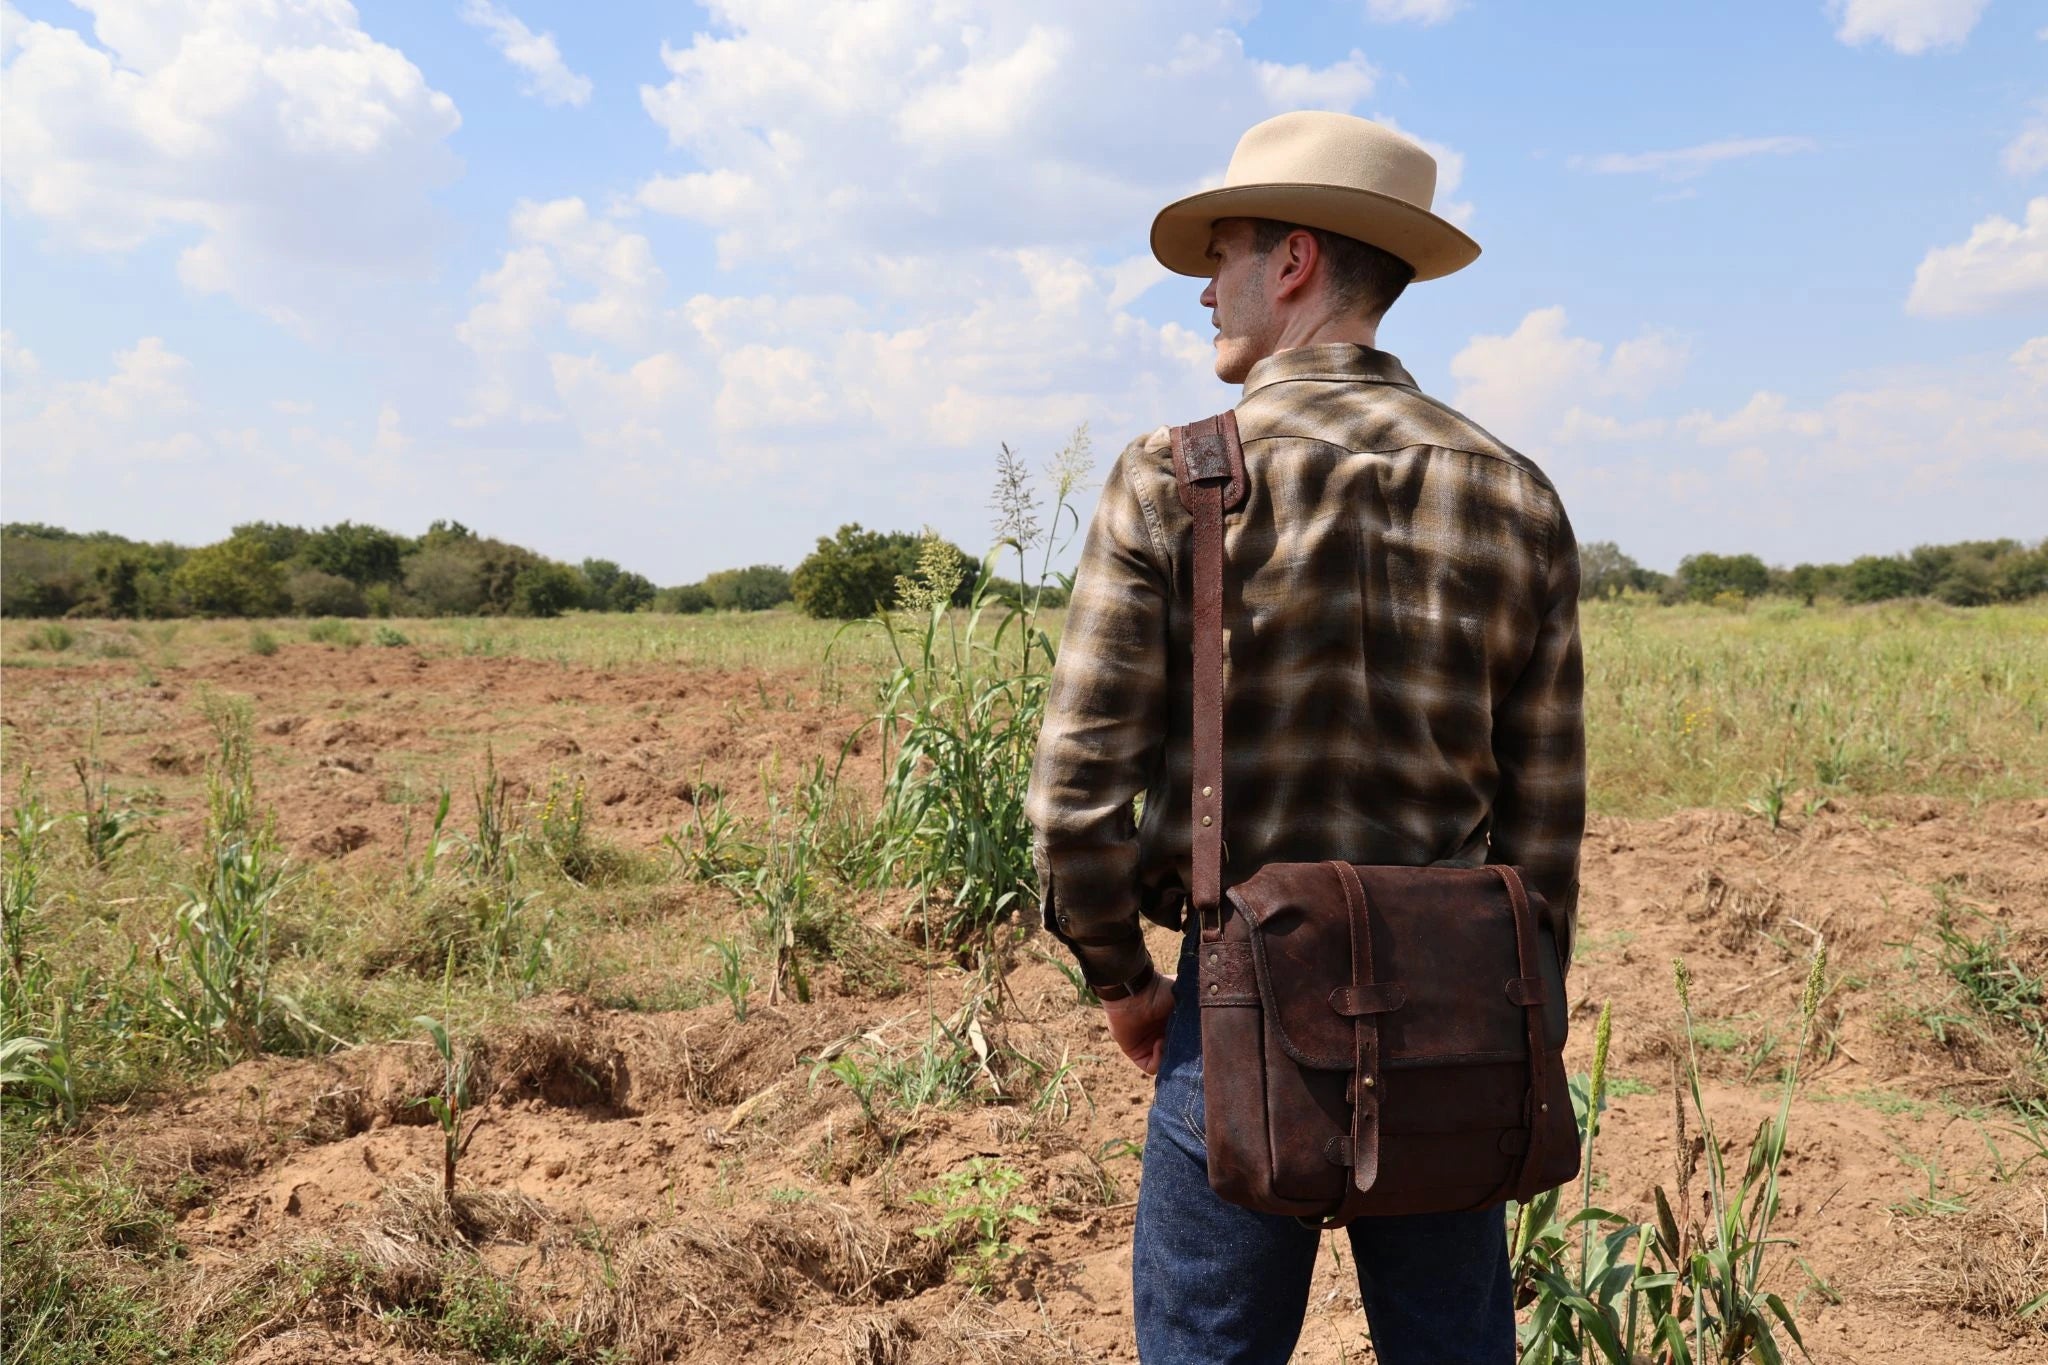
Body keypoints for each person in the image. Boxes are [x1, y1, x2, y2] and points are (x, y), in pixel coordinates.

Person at [1024, 111, 1586, 1364]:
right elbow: (1545, 824)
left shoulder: (1175, 476)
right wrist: (1517, 1020)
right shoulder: (1516, 492)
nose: (1202, 294)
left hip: (1231, 1011)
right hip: (1452, 1023)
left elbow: (1071, 798)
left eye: (1219, 258)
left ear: (1290, 265)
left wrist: (1123, 986)